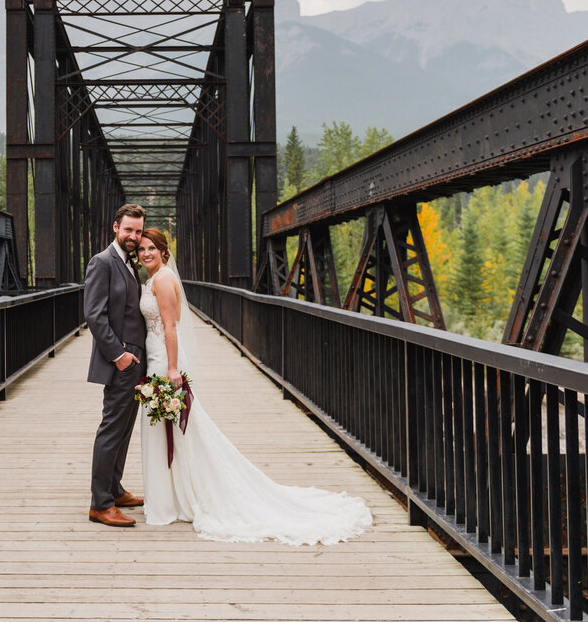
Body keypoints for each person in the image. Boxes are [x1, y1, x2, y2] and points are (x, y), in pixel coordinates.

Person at [136, 228, 373, 544]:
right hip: (154, 356)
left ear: (164, 251)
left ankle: (168, 503)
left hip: (162, 360)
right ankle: (170, 498)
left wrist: (172, 368)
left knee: (173, 430)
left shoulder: (163, 280)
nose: (145, 253)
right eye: (141, 249)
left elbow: (169, 326)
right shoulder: (153, 279)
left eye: (152, 247)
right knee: (174, 431)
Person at [84, 203, 149, 527]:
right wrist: (118, 355)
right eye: (128, 230)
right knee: (111, 429)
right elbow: (94, 314)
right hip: (121, 360)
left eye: (138, 231)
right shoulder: (103, 262)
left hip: (136, 360)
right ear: (115, 227)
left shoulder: (129, 263)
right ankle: (101, 503)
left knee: (123, 429)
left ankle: (115, 487)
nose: (134, 236)